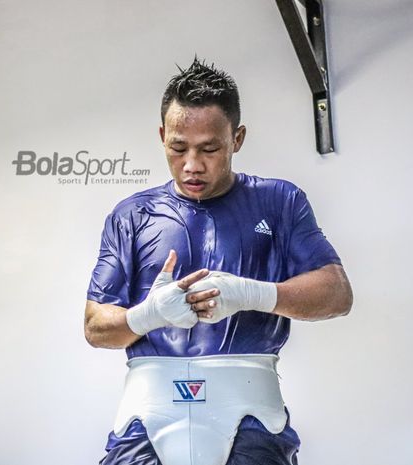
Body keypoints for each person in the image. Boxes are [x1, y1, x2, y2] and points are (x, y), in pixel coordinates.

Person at [84, 58, 352, 465]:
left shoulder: (279, 201)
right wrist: (146, 316)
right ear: (162, 136)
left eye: (209, 148)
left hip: (251, 414)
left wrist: (252, 293)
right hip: (146, 416)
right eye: (178, 148)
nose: (192, 164)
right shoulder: (131, 216)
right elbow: (95, 327)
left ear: (237, 138)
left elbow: (337, 294)